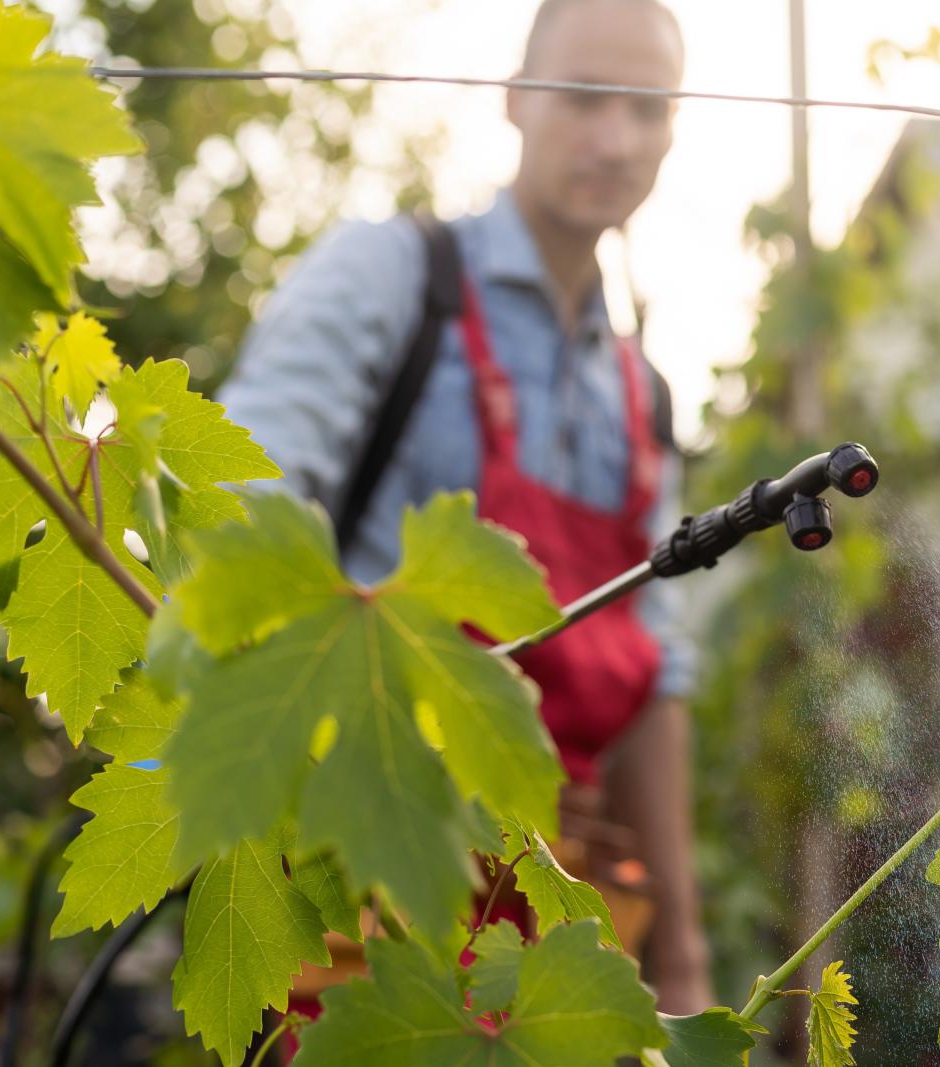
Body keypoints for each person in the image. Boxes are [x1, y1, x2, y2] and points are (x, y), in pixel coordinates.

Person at [217, 0, 710, 1015]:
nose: (616, 138)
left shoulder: (644, 397)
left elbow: (656, 679)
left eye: (648, 108)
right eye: (584, 96)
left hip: (555, 922)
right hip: (362, 883)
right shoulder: (394, 278)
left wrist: (684, 957)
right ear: (515, 98)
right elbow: (240, 511)